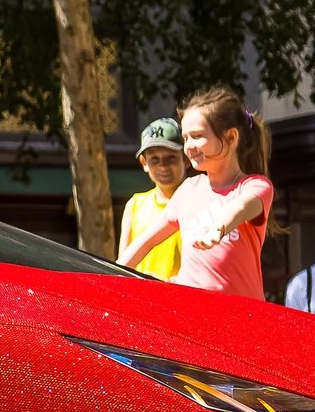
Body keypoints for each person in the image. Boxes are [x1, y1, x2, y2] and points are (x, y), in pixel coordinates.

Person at [116, 87, 272, 297]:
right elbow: (145, 242)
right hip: (192, 315)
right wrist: (108, 276)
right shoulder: (187, 190)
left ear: (231, 137)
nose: (189, 146)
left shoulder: (255, 186)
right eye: (185, 138)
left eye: (197, 136)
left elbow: (241, 207)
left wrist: (219, 227)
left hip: (242, 317)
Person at [117, 118, 188, 280]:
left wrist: (167, 283)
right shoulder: (134, 205)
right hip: (140, 298)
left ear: (186, 159)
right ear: (144, 162)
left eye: (171, 158)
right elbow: (122, 265)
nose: (163, 166)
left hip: (184, 297)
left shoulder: (198, 203)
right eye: (154, 159)